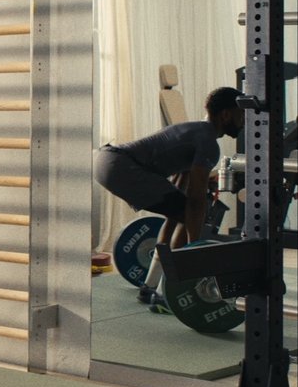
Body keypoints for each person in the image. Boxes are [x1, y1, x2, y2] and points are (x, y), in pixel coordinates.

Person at [94, 86, 245, 312]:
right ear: (225, 115)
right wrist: (197, 247)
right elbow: (195, 201)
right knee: (187, 213)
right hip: (119, 165)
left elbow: (181, 189)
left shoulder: (196, 131)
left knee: (178, 213)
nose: (243, 121)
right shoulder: (208, 143)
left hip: (105, 161)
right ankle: (167, 293)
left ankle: (150, 286)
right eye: (240, 115)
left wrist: (191, 221)